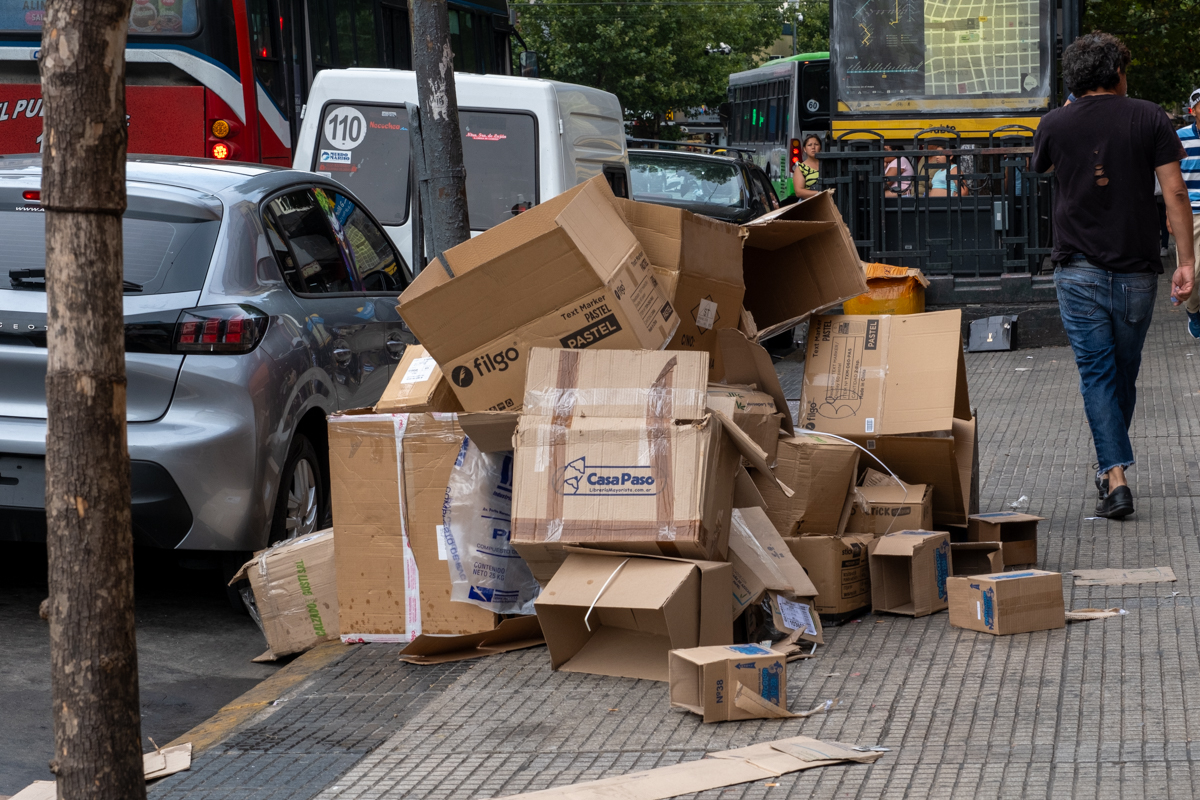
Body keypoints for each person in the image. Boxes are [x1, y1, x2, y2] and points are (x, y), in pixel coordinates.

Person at [1032, 32, 1195, 519]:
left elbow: (1040, 167)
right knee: (1123, 372)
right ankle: (1114, 474)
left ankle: (1114, 477)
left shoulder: (1054, 123)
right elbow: (1176, 194)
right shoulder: (1150, 116)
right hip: (1137, 273)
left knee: (1099, 375)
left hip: (1077, 271)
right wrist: (1185, 262)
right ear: (1118, 74)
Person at [1175, 88, 1200, 337]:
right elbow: (1171, 181)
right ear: (1193, 111)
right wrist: (1171, 218)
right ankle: (1193, 311)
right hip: (1189, 214)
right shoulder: (1180, 138)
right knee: (1192, 272)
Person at [792, 134, 821, 200]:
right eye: (809, 145)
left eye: (816, 144)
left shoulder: (827, 165)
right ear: (804, 149)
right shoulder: (800, 168)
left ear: (820, 147)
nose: (813, 147)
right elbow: (799, 192)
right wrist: (820, 193)